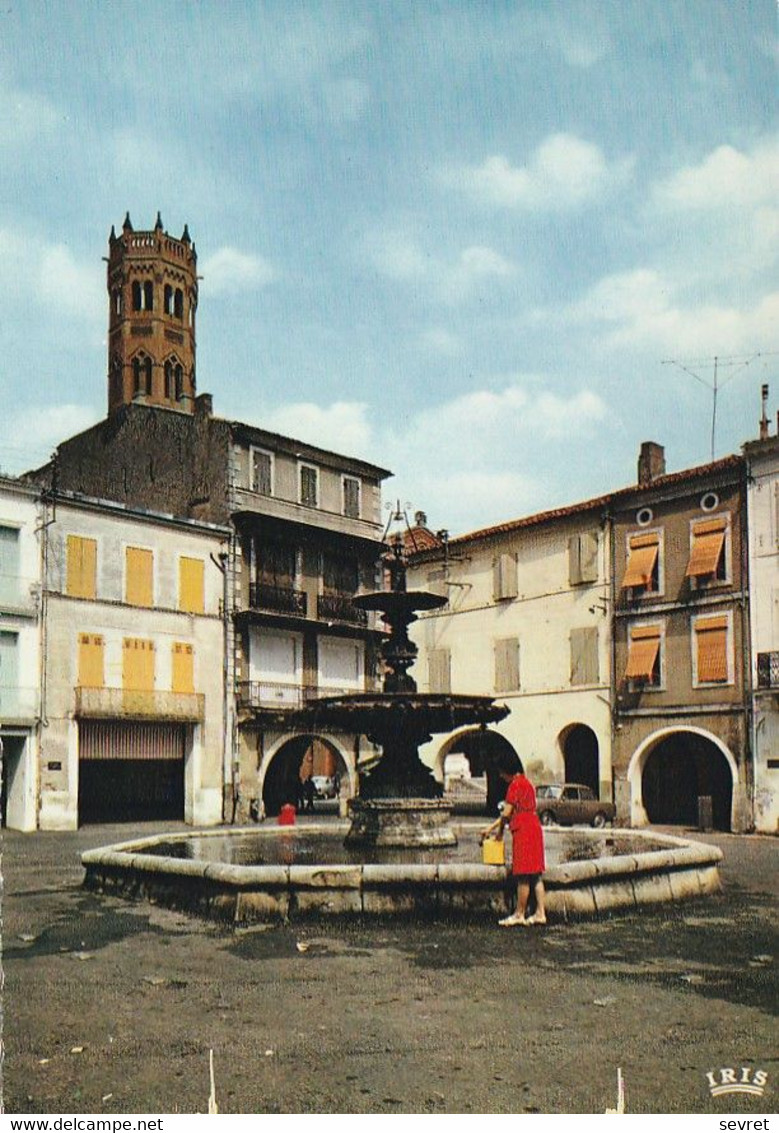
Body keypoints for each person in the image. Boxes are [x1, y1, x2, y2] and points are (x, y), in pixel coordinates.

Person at [482, 752, 547, 927]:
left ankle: (519, 914)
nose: (501, 776)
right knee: (536, 874)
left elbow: (506, 814)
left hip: (523, 830)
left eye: (501, 773)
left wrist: (499, 833)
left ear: (505, 770)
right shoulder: (526, 783)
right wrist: (491, 828)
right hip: (534, 826)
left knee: (523, 875)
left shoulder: (514, 786)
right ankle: (541, 912)